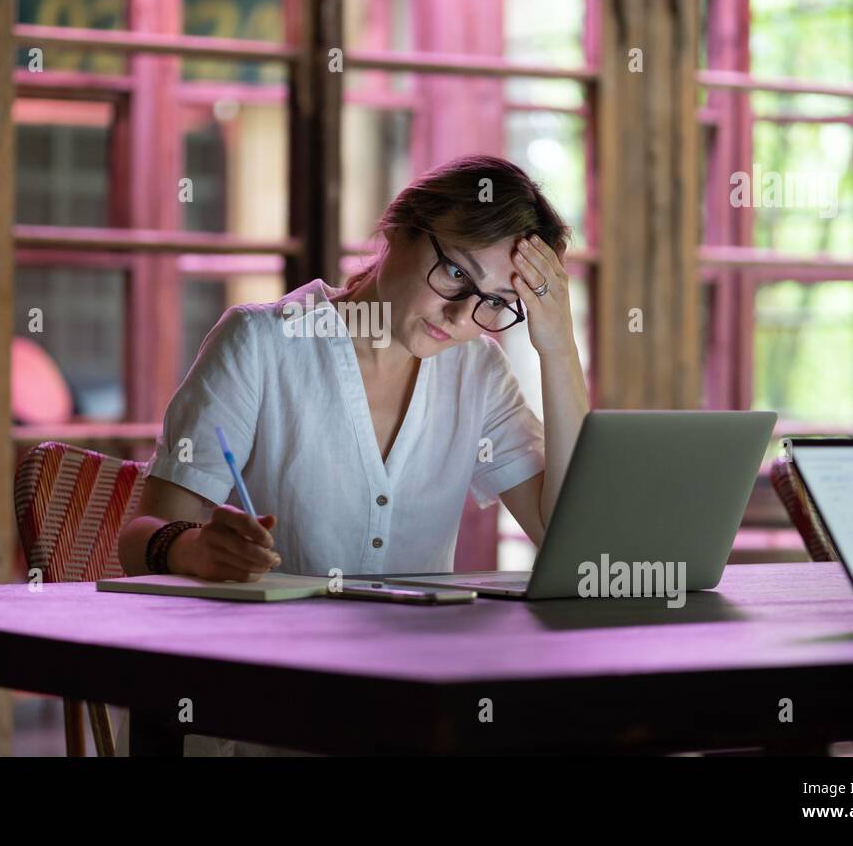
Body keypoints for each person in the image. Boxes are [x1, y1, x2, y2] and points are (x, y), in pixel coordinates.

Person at [117, 153, 590, 755]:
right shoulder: (263, 344)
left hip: (415, 709)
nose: (460, 314)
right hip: (262, 713)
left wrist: (558, 349)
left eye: (495, 303)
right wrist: (195, 549)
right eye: (454, 273)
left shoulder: (478, 371)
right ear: (397, 229)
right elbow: (139, 538)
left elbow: (565, 540)